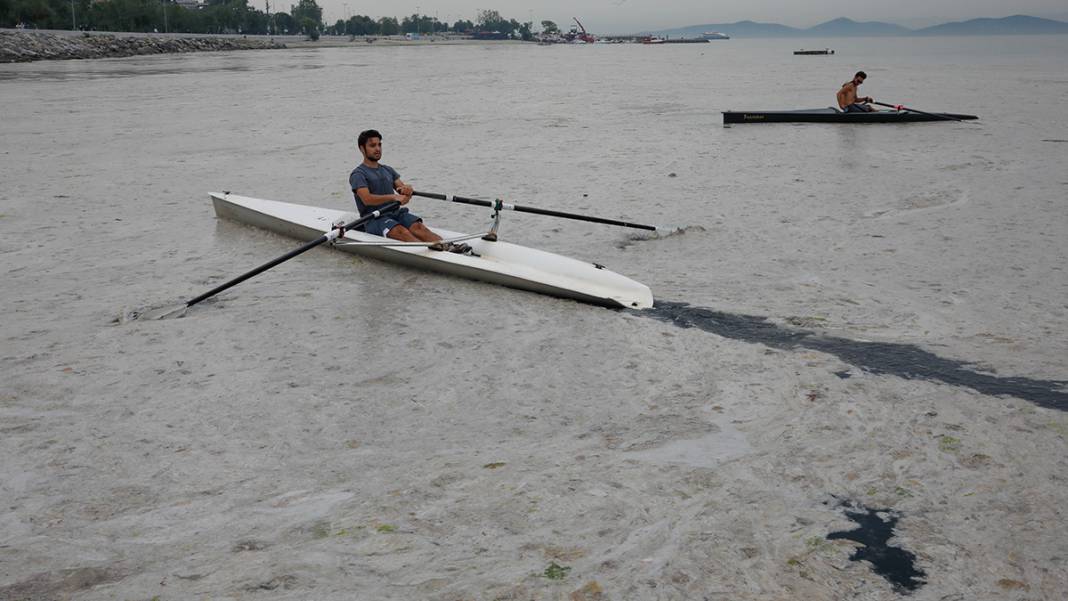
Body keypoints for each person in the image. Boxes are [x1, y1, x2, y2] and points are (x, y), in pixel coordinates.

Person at [349, 129, 469, 253]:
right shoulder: (358, 174)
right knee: (402, 231)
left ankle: (449, 247)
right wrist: (393, 197)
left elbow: (402, 193)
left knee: (419, 227)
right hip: (375, 219)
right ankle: (431, 252)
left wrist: (407, 190)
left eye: (379, 145)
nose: (378, 149)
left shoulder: (387, 170)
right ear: (362, 149)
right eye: (372, 145)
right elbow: (367, 199)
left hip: (396, 214)